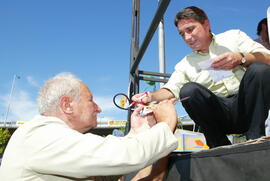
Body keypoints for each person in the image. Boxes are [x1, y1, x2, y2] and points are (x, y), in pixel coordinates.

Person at [132, 6, 270, 148]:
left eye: (190, 29)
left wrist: (241, 58)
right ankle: (217, 146)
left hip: (249, 108)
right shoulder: (185, 64)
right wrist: (150, 96)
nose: (187, 38)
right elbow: (171, 89)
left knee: (259, 70)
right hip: (218, 116)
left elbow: (268, 58)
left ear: (206, 24)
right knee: (188, 91)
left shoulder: (234, 37)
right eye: (182, 34)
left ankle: (255, 140)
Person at [0, 72, 178, 180]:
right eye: (91, 100)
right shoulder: (40, 135)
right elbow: (120, 155)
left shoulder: (43, 136)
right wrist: (166, 123)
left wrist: (136, 132)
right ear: (67, 105)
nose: (99, 108)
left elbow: (106, 164)